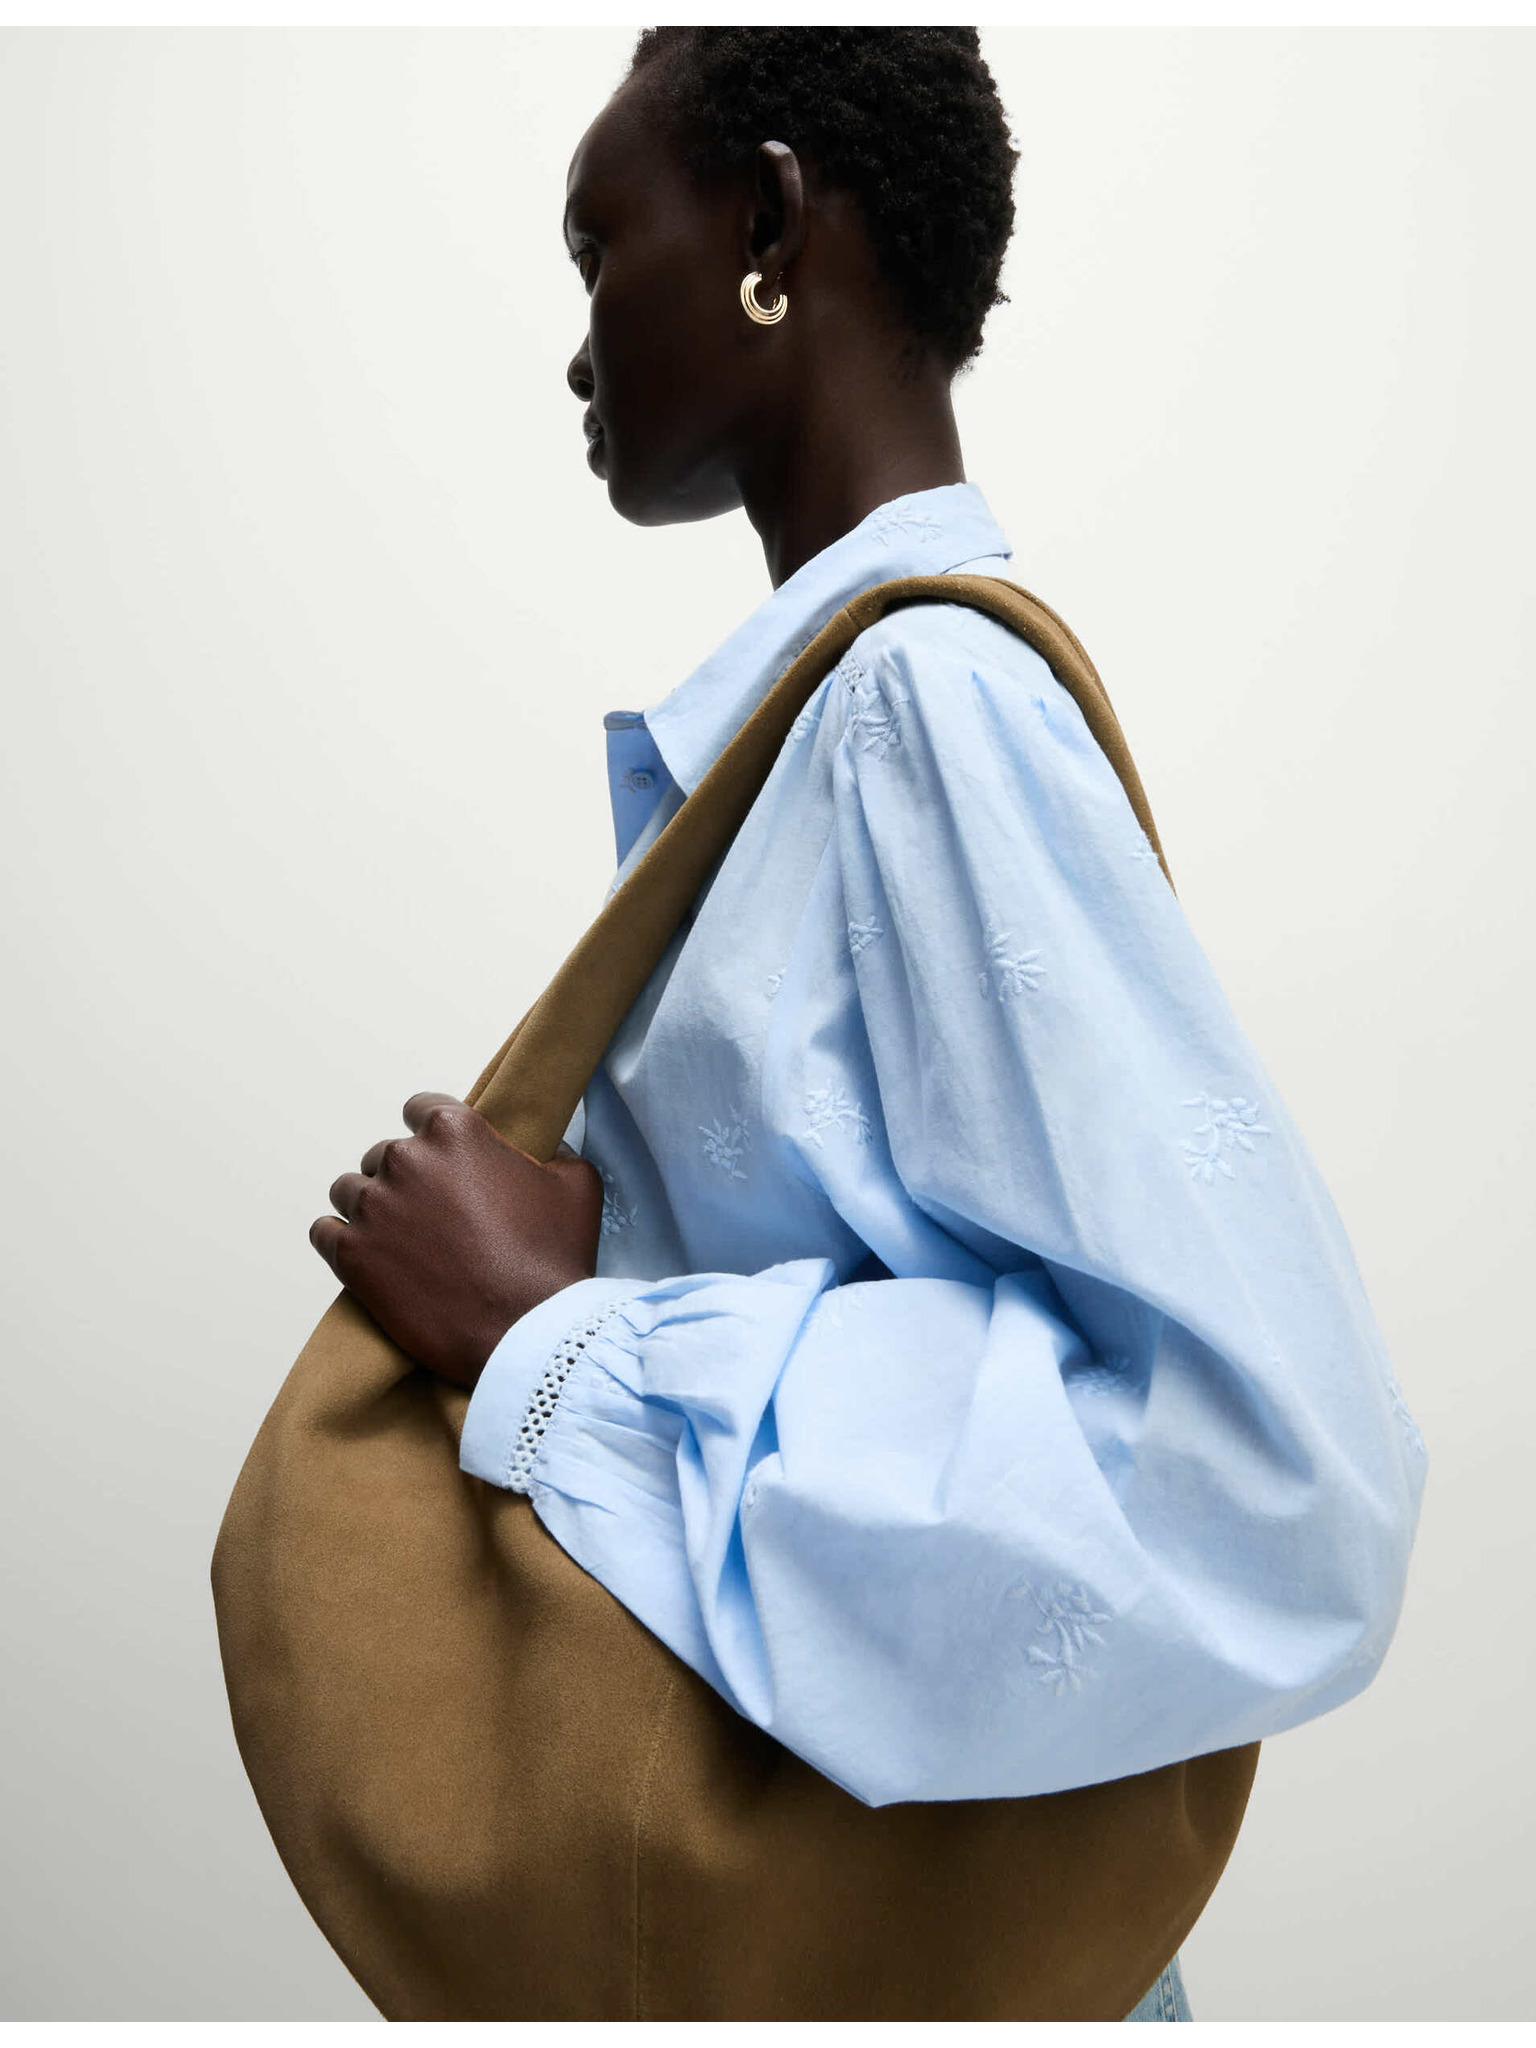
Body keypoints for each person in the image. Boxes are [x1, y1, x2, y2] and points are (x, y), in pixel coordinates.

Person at [306, 28, 1425, 2024]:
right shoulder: (840, 725)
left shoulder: (924, 709)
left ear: (767, 224)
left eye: (597, 251)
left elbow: (1276, 1477)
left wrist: (561, 1337)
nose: (576, 348)